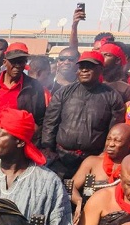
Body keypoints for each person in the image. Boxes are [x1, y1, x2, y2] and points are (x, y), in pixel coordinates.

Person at [41, 51, 125, 179]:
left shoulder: (113, 97)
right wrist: (48, 148)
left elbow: (114, 131)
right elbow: (50, 122)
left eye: (89, 67)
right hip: (61, 158)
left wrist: (103, 155)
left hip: (92, 159)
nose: (84, 70)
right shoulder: (63, 93)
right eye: (81, 67)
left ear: (100, 70)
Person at [0, 42, 46, 156]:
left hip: (19, 150)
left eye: (21, 62)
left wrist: (34, 141)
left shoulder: (34, 87)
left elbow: (40, 120)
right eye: (13, 62)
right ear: (5, 62)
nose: (17, 66)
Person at [70, 123, 130, 205]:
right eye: (108, 139)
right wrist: (79, 202)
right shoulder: (92, 162)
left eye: (117, 141)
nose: (111, 144)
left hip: (124, 210)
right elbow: (70, 186)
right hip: (90, 209)